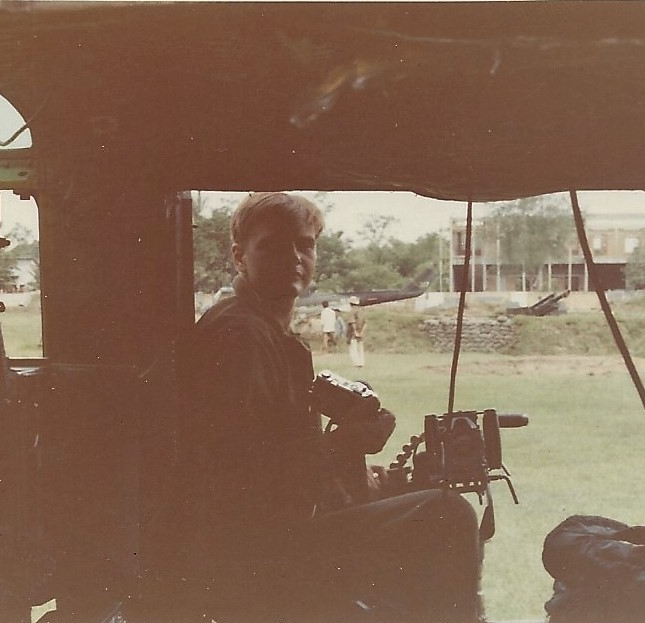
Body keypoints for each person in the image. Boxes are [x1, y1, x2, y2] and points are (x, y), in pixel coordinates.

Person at [160, 192, 481, 623]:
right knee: (446, 515)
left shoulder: (264, 330)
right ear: (240, 257)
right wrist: (346, 443)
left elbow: (280, 455)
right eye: (273, 245)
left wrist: (353, 472)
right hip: (249, 557)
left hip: (266, 542)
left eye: (304, 244)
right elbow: (240, 475)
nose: (293, 257)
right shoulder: (240, 336)